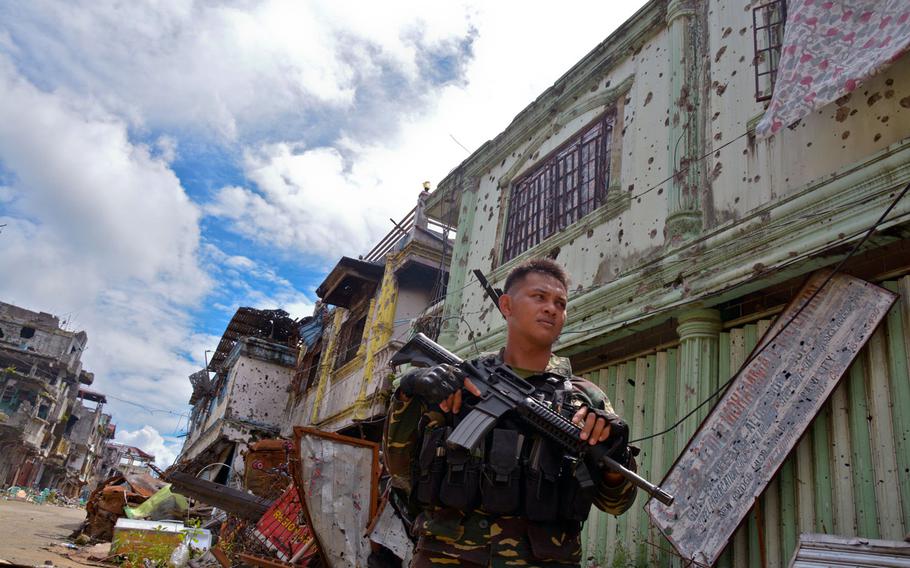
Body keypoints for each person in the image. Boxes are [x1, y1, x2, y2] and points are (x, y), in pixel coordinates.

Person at [383, 259, 637, 567]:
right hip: (445, 557)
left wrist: (616, 456)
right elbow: (398, 467)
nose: (551, 309)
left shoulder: (585, 400)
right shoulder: (458, 381)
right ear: (506, 305)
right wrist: (408, 392)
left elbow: (616, 504)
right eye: (539, 297)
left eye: (560, 303)